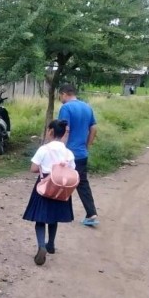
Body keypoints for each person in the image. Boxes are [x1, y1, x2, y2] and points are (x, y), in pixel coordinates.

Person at [23, 119, 75, 266]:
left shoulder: (44, 149)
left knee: (40, 219)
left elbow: (33, 168)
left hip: (44, 185)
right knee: (54, 217)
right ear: (64, 133)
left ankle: (41, 245)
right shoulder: (68, 153)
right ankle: (51, 244)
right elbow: (72, 170)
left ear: (51, 132)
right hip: (62, 187)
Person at [58, 84, 99, 226]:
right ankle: (91, 213)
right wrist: (87, 145)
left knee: (60, 181)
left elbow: (65, 130)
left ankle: (57, 212)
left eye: (60, 95)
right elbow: (93, 128)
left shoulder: (66, 108)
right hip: (81, 154)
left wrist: (60, 149)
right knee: (82, 183)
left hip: (68, 153)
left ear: (64, 94)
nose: (60, 99)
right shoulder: (87, 107)